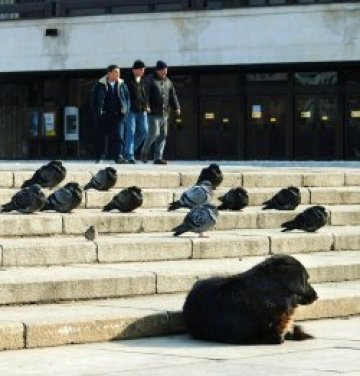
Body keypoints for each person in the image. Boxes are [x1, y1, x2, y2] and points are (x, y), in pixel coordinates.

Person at [141, 60, 180, 165]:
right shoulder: (149, 80)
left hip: (165, 113)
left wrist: (177, 107)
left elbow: (173, 95)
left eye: (166, 70)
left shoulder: (168, 81)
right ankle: (144, 152)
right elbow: (145, 95)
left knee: (163, 135)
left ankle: (158, 157)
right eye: (163, 70)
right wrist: (147, 105)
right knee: (154, 133)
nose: (165, 73)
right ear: (158, 70)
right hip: (153, 113)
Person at [92, 64, 130, 163]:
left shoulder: (122, 84)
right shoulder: (100, 84)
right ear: (109, 73)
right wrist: (97, 113)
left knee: (119, 135)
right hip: (104, 114)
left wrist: (125, 111)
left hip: (119, 114)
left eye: (119, 72)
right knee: (102, 136)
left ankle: (118, 156)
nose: (118, 74)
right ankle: (100, 156)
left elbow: (127, 99)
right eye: (116, 72)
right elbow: (93, 100)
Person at [123, 59, 149, 164]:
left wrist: (147, 105)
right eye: (141, 69)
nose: (143, 71)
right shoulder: (127, 80)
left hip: (142, 110)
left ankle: (129, 150)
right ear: (135, 70)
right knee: (131, 132)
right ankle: (129, 156)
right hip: (131, 110)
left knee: (144, 131)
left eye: (144, 69)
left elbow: (144, 94)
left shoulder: (143, 80)